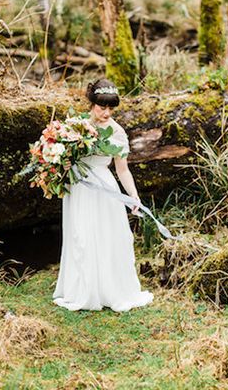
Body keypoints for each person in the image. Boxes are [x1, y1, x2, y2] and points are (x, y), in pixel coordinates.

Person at [52, 78, 154, 312]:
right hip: (78, 188)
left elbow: (122, 169)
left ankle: (109, 289)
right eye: (102, 107)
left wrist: (133, 197)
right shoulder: (74, 127)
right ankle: (82, 289)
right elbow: (64, 157)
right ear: (92, 103)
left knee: (107, 237)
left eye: (111, 108)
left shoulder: (117, 132)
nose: (107, 113)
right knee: (81, 237)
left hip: (104, 189)